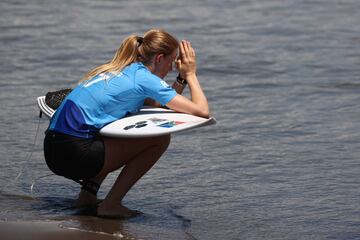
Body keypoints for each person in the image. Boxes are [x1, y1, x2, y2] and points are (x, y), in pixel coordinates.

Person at [43, 29, 209, 218]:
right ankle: (110, 205)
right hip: (75, 156)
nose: (172, 69)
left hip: (53, 149)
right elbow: (202, 111)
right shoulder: (144, 79)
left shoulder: (120, 69)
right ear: (159, 58)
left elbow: (157, 103)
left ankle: (86, 197)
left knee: (108, 128)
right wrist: (190, 74)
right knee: (160, 138)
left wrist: (179, 79)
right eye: (171, 62)